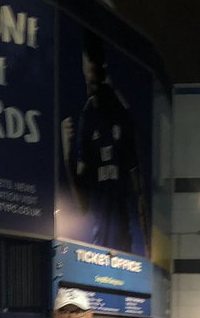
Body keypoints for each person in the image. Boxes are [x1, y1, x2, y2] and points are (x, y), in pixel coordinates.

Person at [61, 29, 150, 257]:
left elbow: (138, 183)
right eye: (87, 66)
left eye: (95, 66)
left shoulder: (122, 112)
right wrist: (67, 153)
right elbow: (81, 205)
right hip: (98, 246)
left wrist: (147, 242)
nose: (91, 74)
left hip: (125, 248)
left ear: (103, 67)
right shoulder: (87, 116)